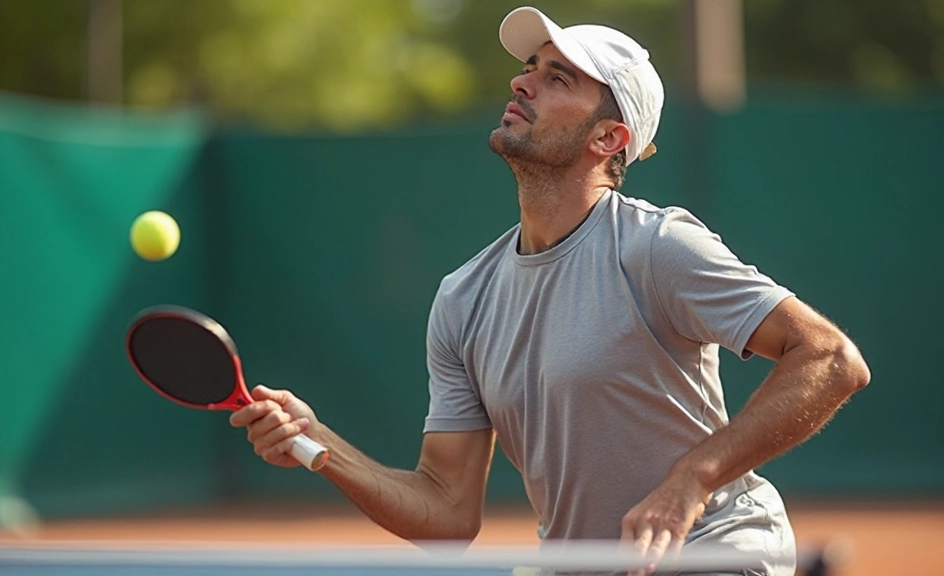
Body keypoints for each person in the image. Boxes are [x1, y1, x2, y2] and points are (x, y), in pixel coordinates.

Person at [229, 6, 871, 576]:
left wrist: (692, 479)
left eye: (557, 78)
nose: (521, 81)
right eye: (531, 67)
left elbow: (832, 358)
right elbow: (448, 512)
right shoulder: (463, 299)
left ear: (608, 138)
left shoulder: (656, 247)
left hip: (714, 548)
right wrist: (320, 446)